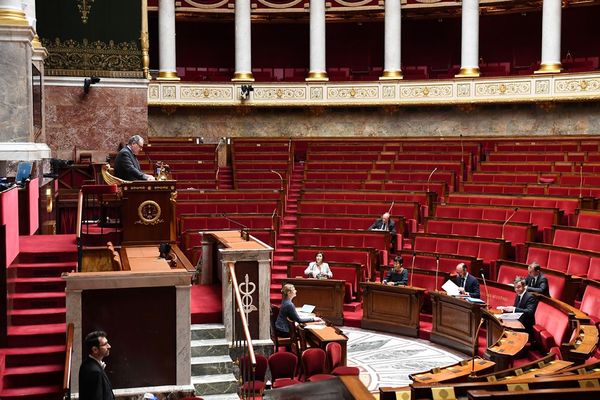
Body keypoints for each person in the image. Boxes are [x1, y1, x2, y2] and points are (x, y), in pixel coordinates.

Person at [79, 330, 115, 400]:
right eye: (105, 344)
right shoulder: (95, 372)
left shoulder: (86, 364)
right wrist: (99, 371)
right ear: (95, 349)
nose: (109, 346)